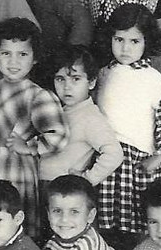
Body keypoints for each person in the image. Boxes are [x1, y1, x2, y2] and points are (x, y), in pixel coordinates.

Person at [93, 3, 161, 250]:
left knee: (139, 225)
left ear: (147, 42)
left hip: (137, 163)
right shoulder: (104, 73)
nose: (125, 48)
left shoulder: (152, 78)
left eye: (134, 41)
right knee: (105, 223)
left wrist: (159, 155)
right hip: (106, 159)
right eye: (119, 39)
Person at [0, 17, 68, 240]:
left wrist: (29, 147)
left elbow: (58, 135)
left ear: (35, 58)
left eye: (22, 54)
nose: (13, 61)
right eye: (6, 53)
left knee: (13, 227)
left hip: (15, 168)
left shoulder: (38, 95)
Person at [36, 45, 124, 193]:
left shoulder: (90, 116)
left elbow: (114, 153)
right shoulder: (59, 110)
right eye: (60, 79)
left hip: (64, 189)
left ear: (91, 82)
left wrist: (87, 179)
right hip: (43, 183)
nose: (67, 87)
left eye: (76, 79)